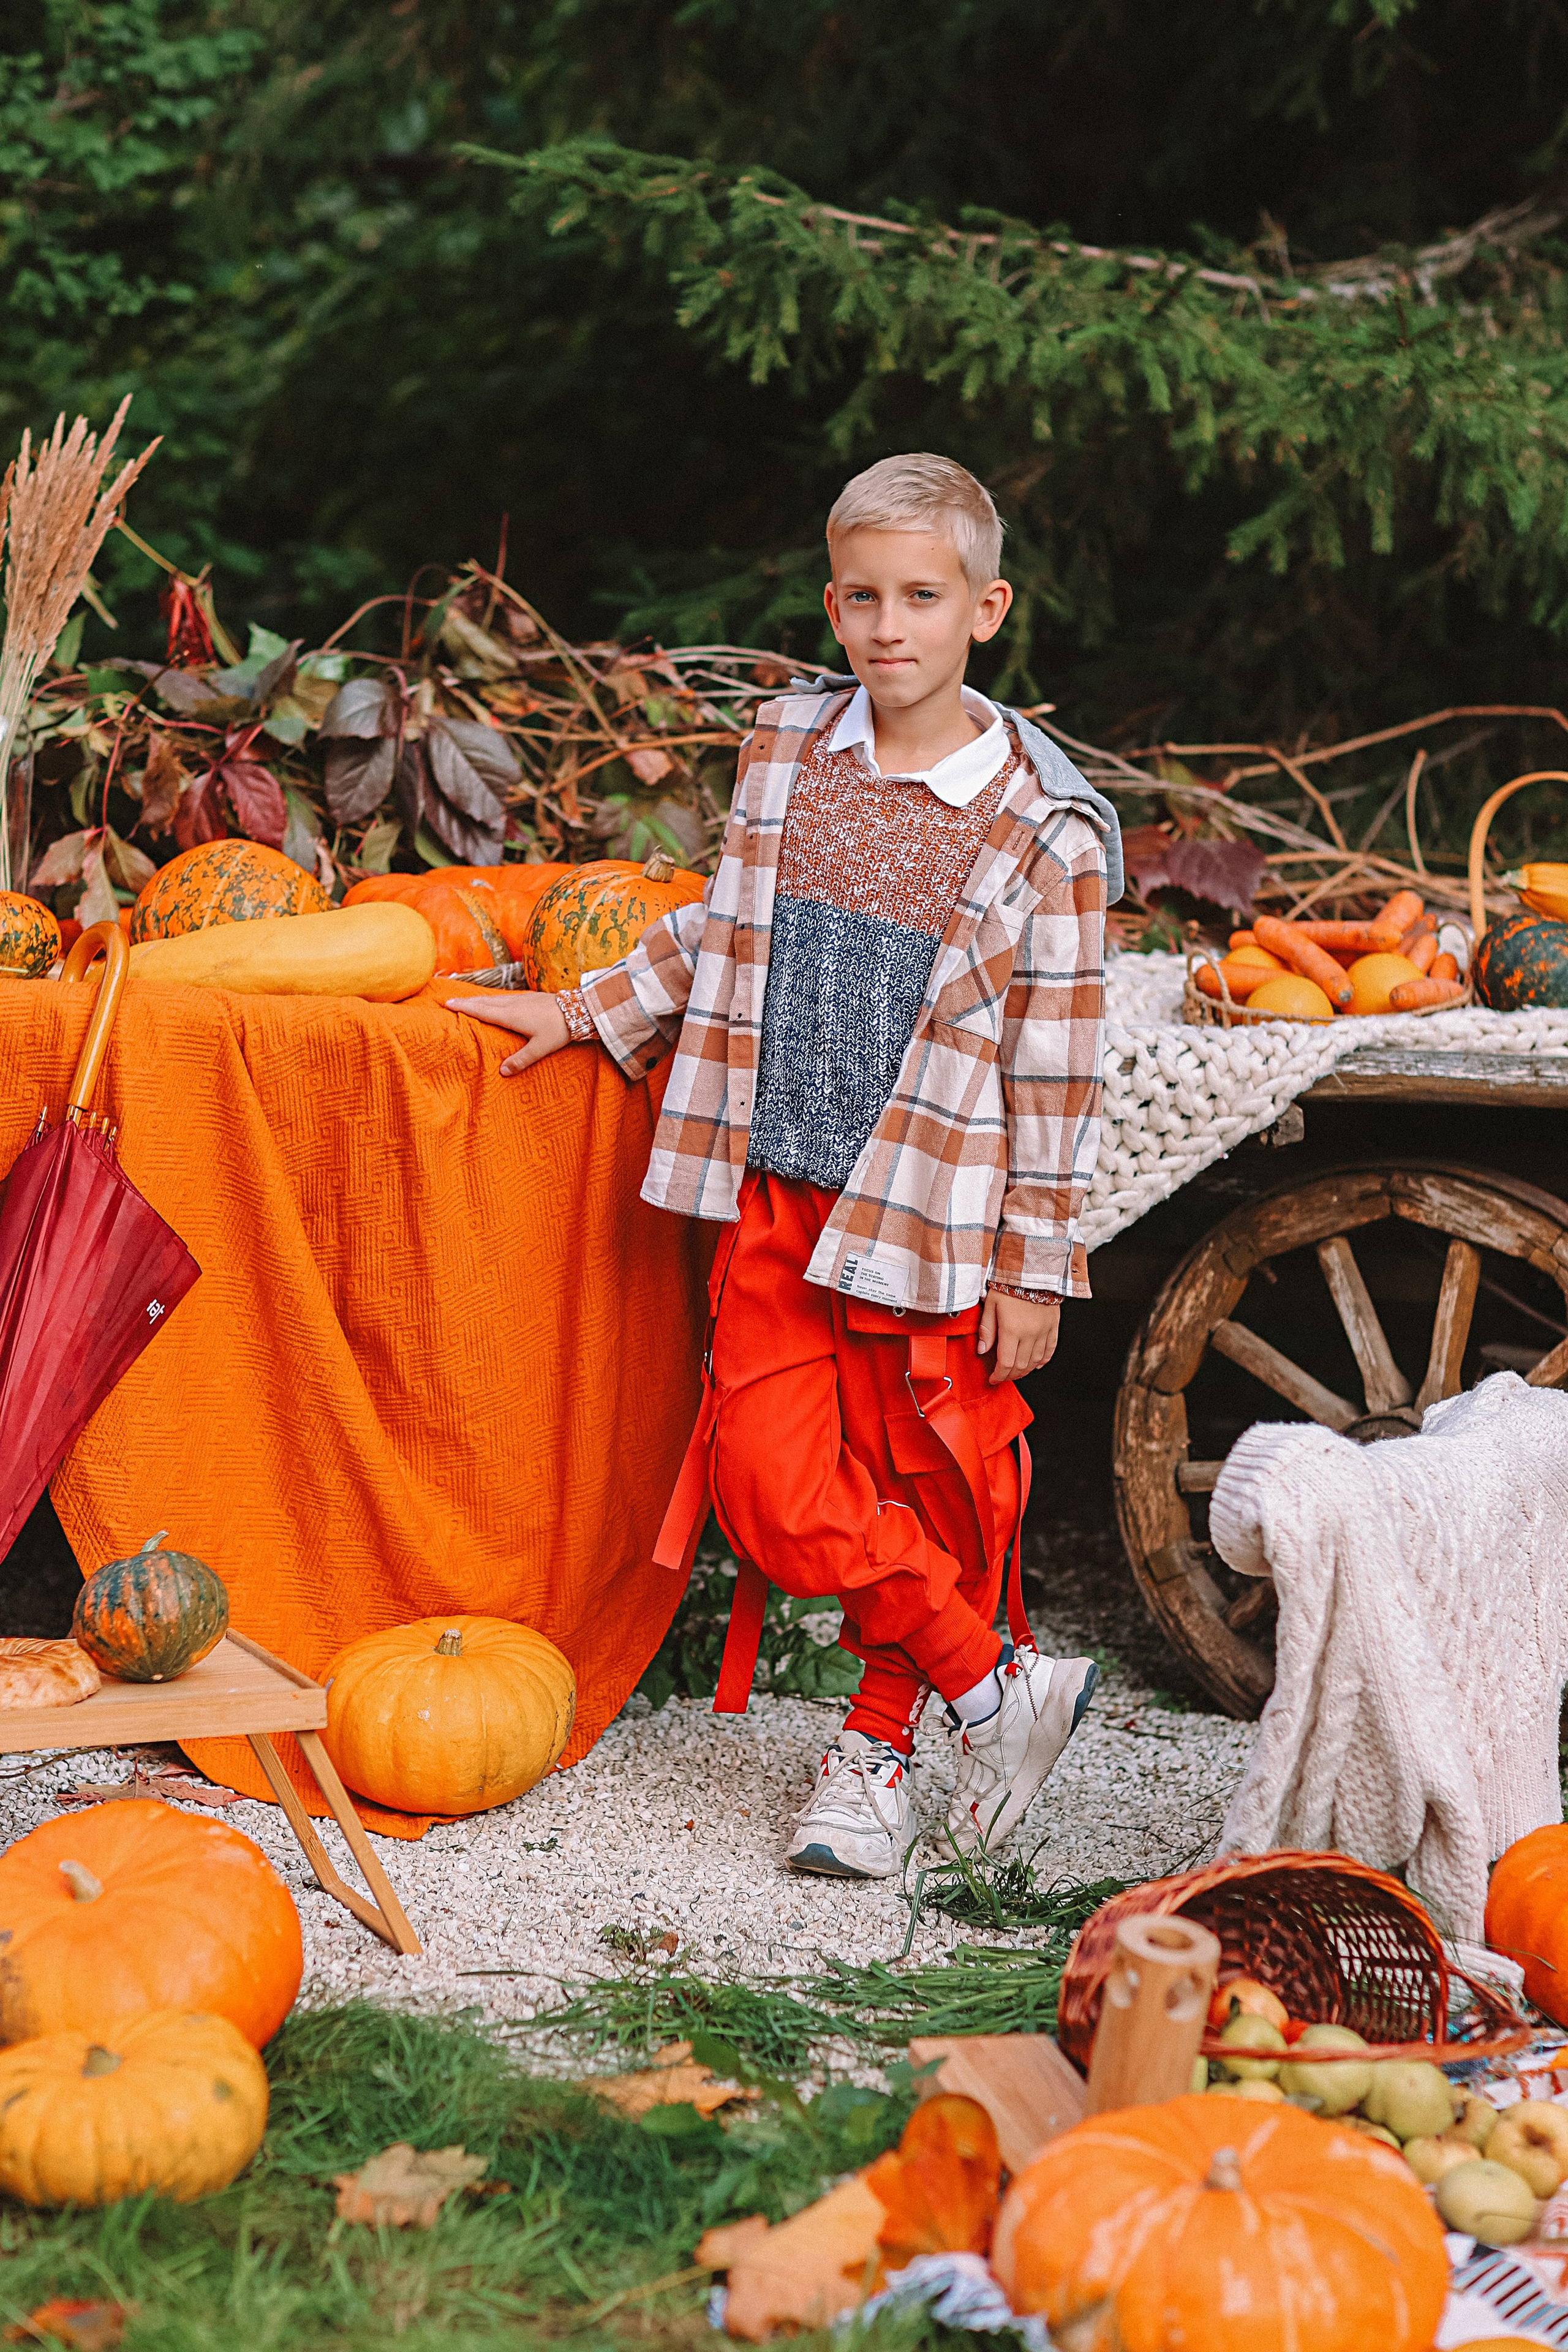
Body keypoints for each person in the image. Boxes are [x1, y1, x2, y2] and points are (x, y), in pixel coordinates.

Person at [448, 453, 1121, 1880]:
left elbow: (1055, 1062)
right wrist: (583, 1011)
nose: (890, 627)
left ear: (983, 610)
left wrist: (1035, 1265)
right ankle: (992, 1688)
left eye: (922, 598)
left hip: (924, 1204)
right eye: (864, 596)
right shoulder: (788, 755)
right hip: (779, 1189)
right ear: (832, 603)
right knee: (766, 1481)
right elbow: (723, 932)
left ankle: (874, 1757)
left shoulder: (1038, 826)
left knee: (920, 1472)